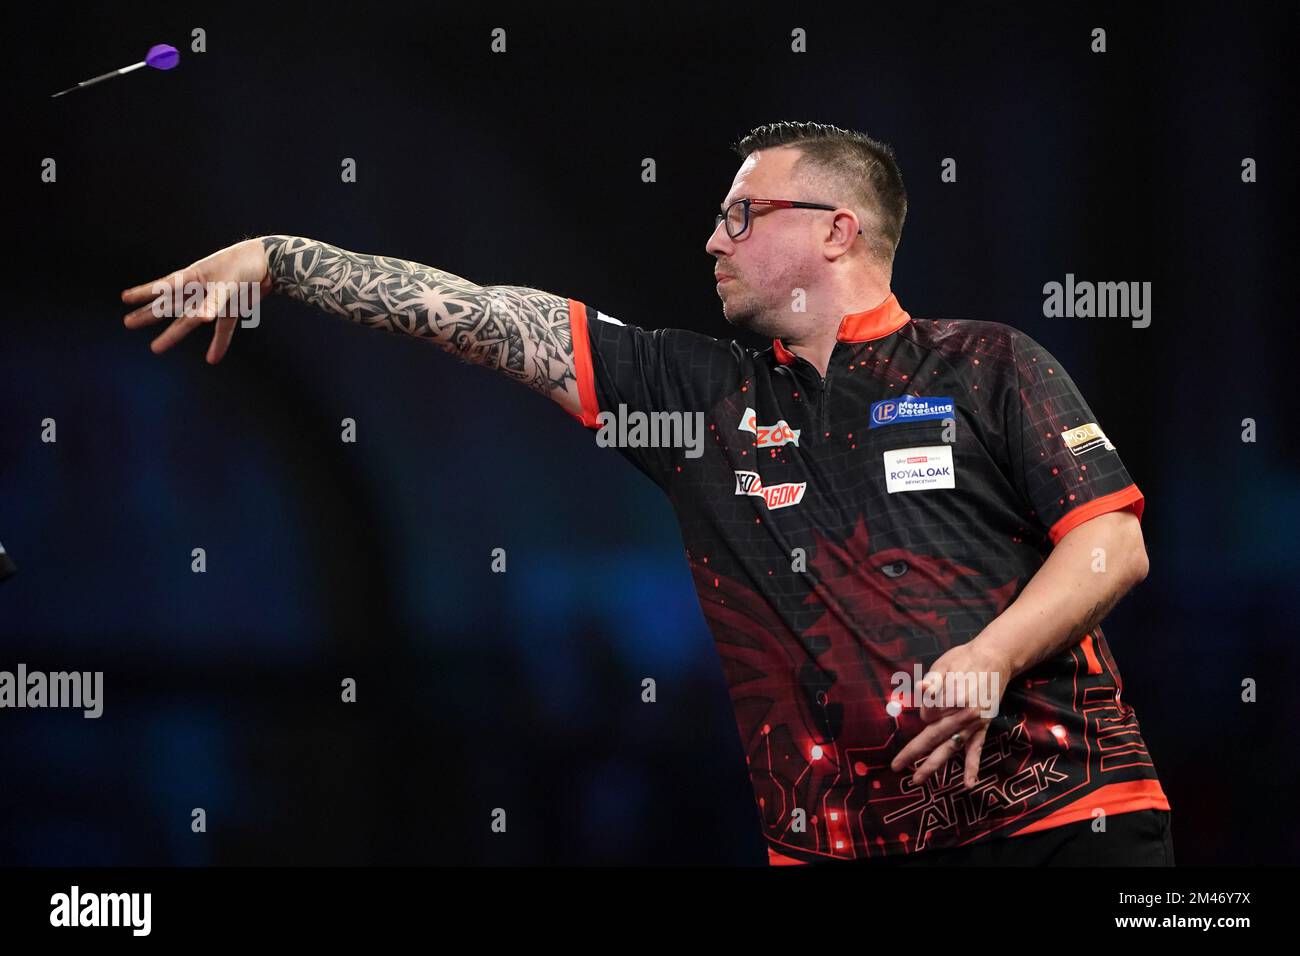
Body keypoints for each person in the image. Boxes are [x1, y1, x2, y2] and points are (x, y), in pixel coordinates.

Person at [121, 120, 1172, 866]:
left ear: (838, 230)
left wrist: (988, 657)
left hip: (1064, 816)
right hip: (842, 841)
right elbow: (491, 316)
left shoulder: (987, 362)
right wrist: (283, 258)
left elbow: (1110, 545)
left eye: (740, 214)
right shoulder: (695, 393)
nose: (712, 239)